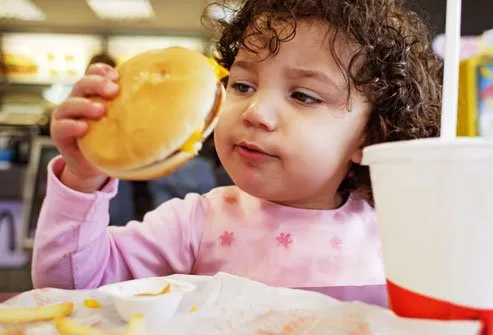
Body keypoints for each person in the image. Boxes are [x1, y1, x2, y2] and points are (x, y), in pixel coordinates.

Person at [32, 0, 441, 306]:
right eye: (243, 85)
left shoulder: (395, 233)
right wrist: (83, 177)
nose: (256, 112)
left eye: (303, 95)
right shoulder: (195, 224)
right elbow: (69, 291)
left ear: (369, 136)